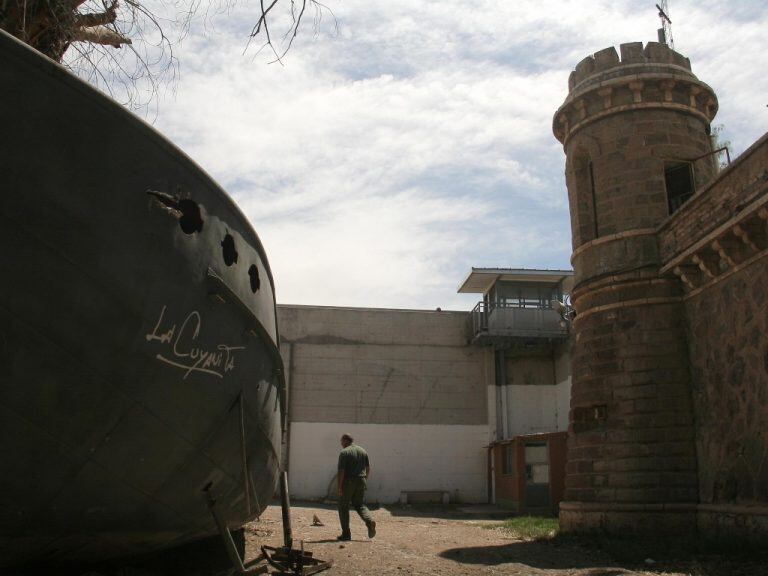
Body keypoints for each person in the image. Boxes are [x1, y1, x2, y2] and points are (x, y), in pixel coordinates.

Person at [336, 433, 376, 541]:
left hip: (348, 482)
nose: (341, 444)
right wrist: (364, 480)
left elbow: (341, 471)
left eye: (341, 441)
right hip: (361, 480)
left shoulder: (344, 452)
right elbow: (368, 468)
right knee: (359, 504)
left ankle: (346, 534)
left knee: (343, 506)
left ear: (345, 440)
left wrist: (339, 487)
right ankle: (369, 521)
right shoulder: (363, 451)